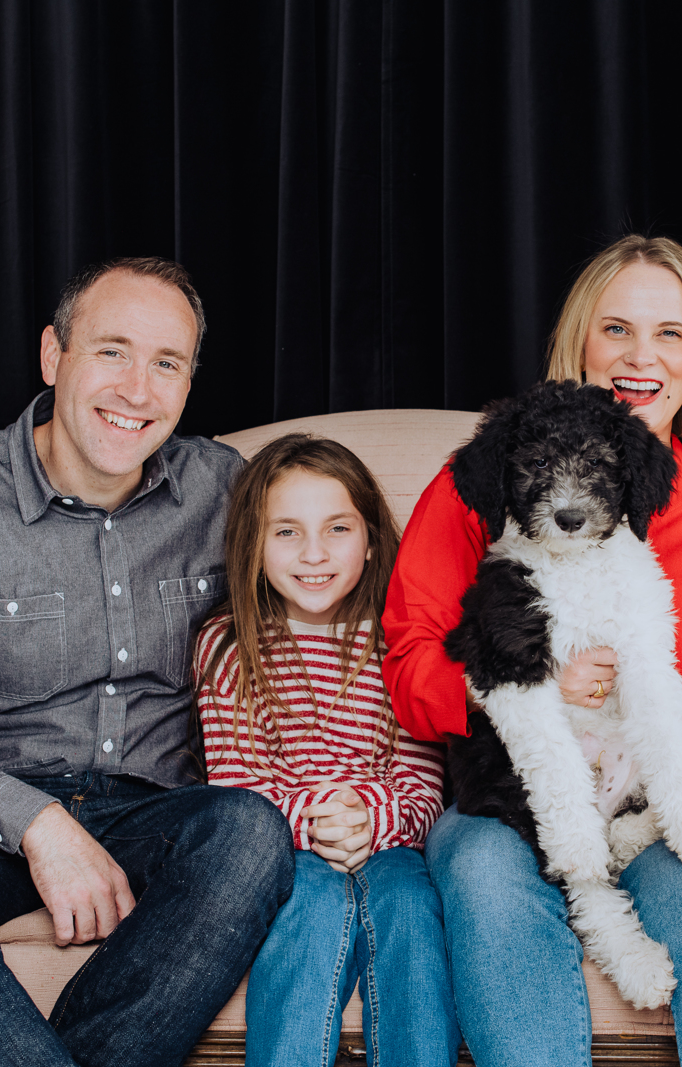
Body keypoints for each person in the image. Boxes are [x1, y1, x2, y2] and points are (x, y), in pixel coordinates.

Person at [0, 258, 295, 1067]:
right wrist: (36, 822)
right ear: (52, 356)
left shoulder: (226, 490)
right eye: (112, 351)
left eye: (166, 362)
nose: (137, 389)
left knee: (247, 832)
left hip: (153, 814)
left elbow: (333, 611)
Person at [382, 234, 682, 1067]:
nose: (640, 356)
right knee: (478, 871)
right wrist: (534, 685)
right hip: (506, 805)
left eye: (670, 333)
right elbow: (409, 666)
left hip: (658, 811)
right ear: (579, 342)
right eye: (616, 329)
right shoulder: (479, 486)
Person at [194, 433, 459, 1067]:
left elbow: (424, 787)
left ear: (370, 540)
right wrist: (321, 820)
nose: (314, 554)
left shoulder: (402, 644)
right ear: (252, 548)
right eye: (285, 532)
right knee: (308, 907)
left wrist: (369, 817)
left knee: (412, 907)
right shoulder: (227, 644)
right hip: (285, 849)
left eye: (336, 528)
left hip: (388, 842)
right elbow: (237, 792)